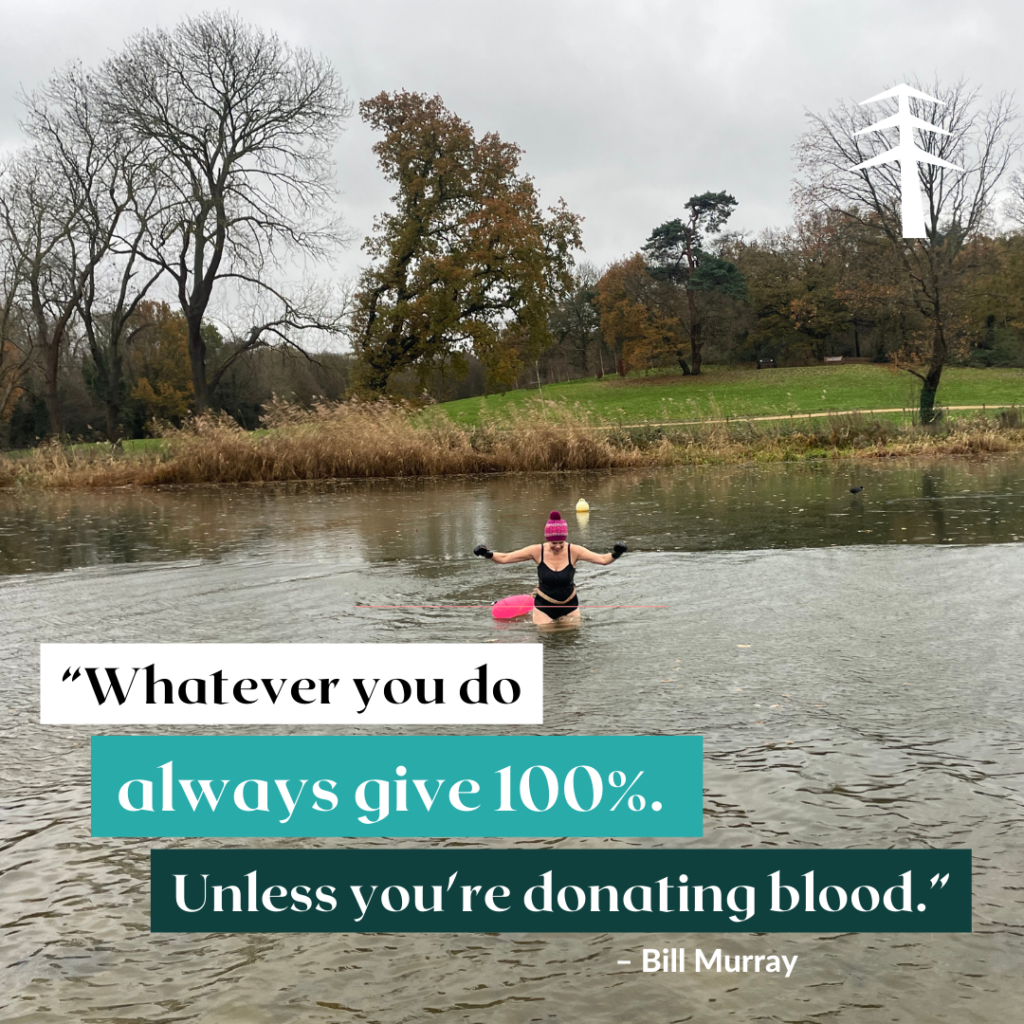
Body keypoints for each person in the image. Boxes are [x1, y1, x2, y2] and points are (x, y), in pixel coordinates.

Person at [473, 510, 627, 625]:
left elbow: (602, 559)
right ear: (548, 540)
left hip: (569, 604)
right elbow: (505, 558)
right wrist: (487, 553)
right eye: (554, 543)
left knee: (571, 638)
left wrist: (616, 553)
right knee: (547, 638)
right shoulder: (536, 551)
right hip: (543, 606)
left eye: (561, 542)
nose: (558, 546)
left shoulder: (574, 550)